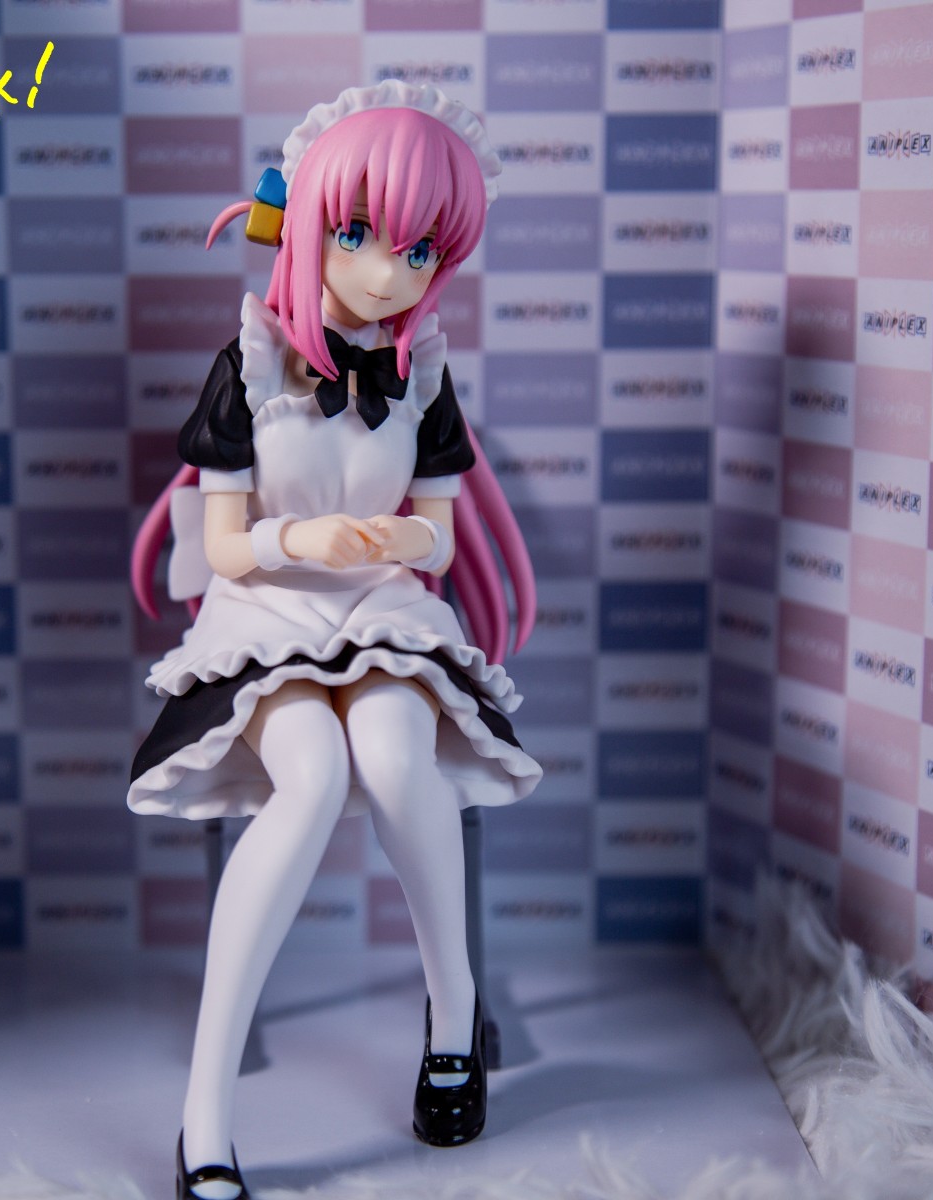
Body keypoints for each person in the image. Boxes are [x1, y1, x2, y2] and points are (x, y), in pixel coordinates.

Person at [126, 82, 542, 1200]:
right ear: (307, 220)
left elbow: (440, 535)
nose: (387, 273)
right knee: (307, 778)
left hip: (381, 608)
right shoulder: (250, 361)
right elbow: (223, 543)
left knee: (400, 756)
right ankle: (206, 1115)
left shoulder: (423, 371)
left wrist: (398, 537)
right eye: (358, 234)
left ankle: (451, 1018)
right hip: (267, 611)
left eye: (419, 249)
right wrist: (298, 536)